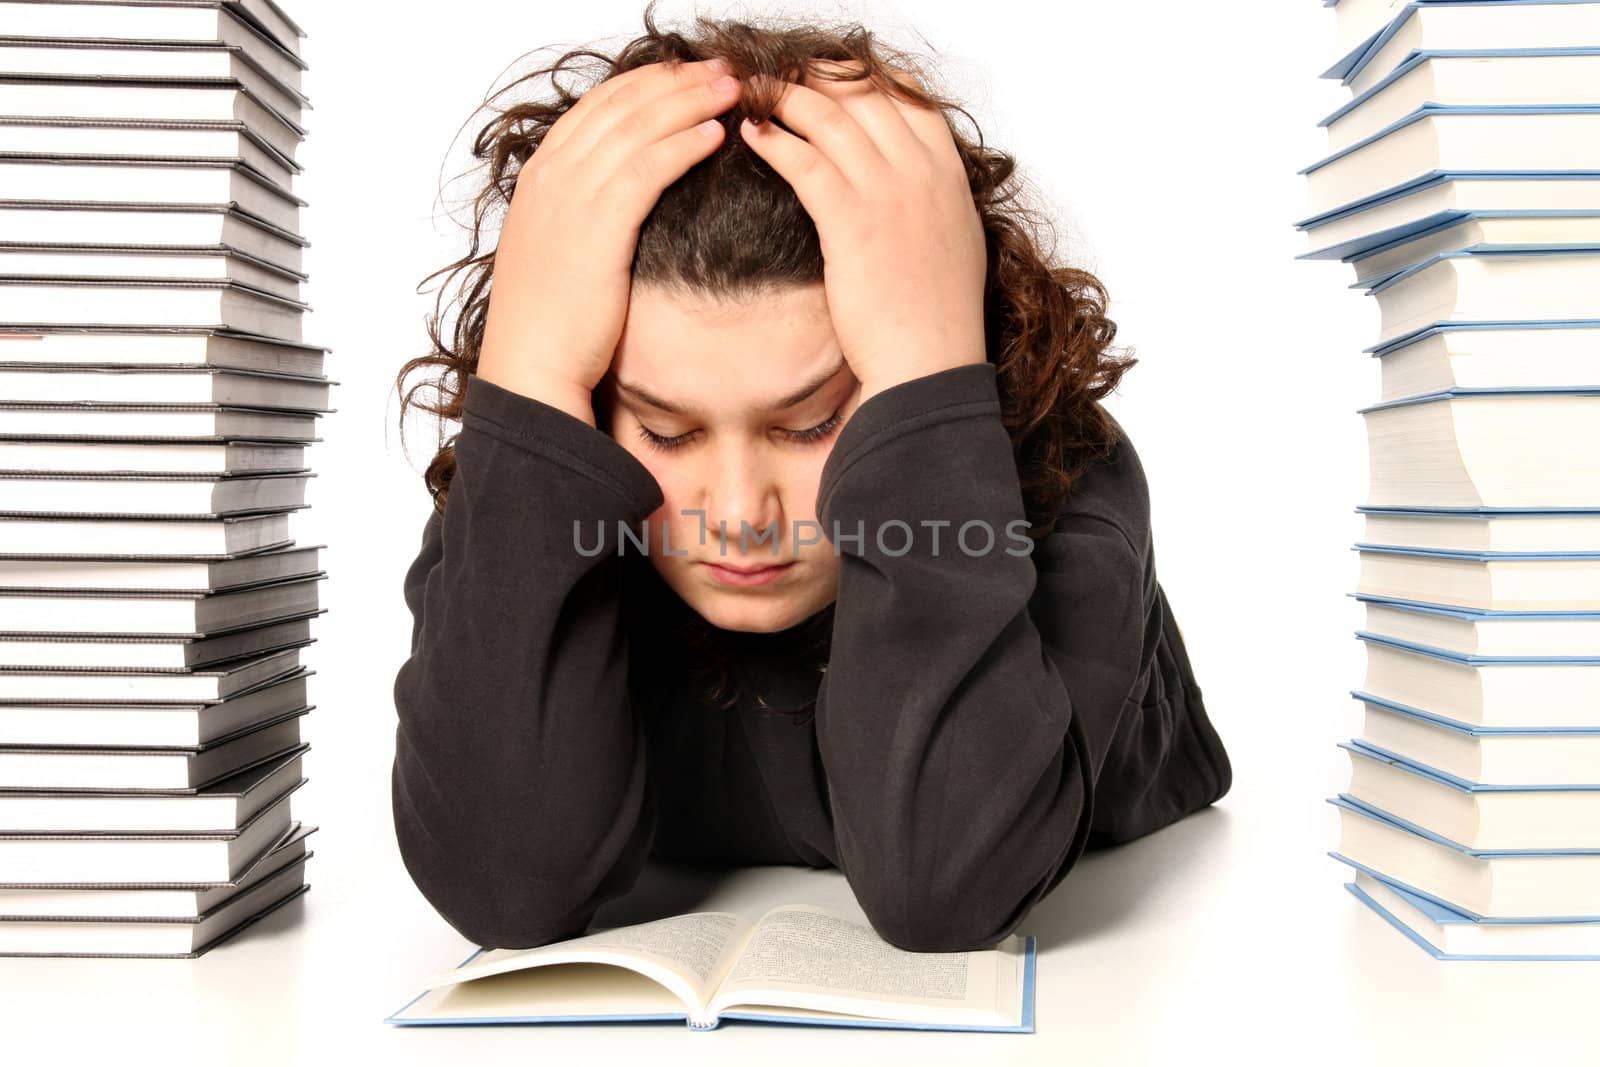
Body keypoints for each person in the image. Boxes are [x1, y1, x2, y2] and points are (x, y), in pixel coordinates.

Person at [390, 3, 1232, 955]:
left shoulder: (1056, 476)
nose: (742, 517)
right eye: (666, 431)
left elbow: (947, 893)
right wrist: (530, 382)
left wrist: (924, 375)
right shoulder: (549, 481)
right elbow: (505, 885)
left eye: (814, 423)